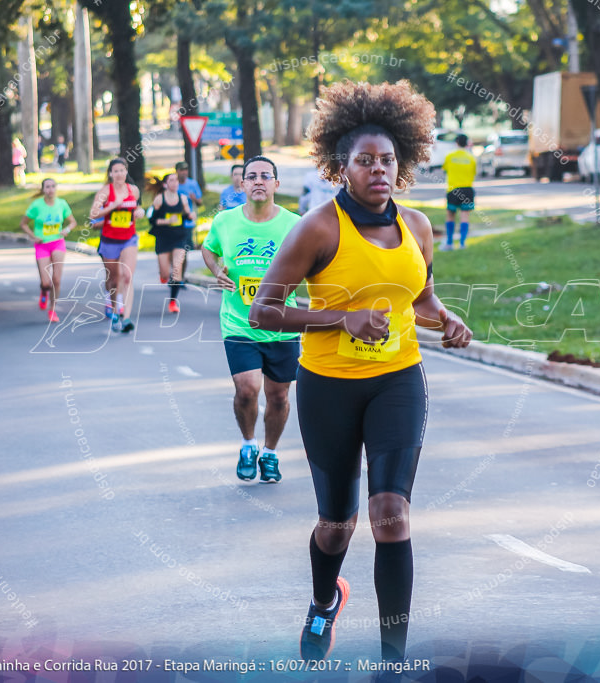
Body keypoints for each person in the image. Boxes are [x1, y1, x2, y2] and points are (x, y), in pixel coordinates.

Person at [248, 81, 472, 663]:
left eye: (387, 160)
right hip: (328, 388)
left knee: (390, 516)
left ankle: (392, 660)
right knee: (338, 525)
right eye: (365, 161)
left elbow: (419, 299)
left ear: (403, 163)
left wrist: (445, 320)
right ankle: (325, 602)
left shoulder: (418, 227)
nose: (378, 169)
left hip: (399, 379)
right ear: (340, 167)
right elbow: (264, 310)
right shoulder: (318, 229)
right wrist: (340, 319)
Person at [201, 156, 301, 485]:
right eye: (251, 177)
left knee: (279, 397)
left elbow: (311, 261)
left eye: (265, 176)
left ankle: (270, 452)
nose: (258, 181)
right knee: (247, 390)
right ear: (242, 184)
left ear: (276, 184)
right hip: (238, 322)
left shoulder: (294, 224)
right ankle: (248, 444)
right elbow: (209, 249)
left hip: (282, 325)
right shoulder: (225, 222)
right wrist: (217, 271)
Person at [90, 159, 143, 333]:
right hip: (110, 240)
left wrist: (139, 212)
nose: (119, 174)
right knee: (113, 280)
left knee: (127, 277)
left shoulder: (133, 190)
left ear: (126, 172)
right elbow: (94, 214)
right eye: (116, 171)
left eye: (122, 170)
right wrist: (112, 206)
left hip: (129, 239)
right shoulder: (105, 192)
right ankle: (113, 309)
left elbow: (138, 209)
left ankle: (126, 318)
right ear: (110, 173)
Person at [19, 178, 76, 322]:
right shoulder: (36, 205)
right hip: (42, 245)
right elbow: (23, 224)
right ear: (43, 189)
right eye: (47, 187)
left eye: (53, 186)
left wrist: (67, 229)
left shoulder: (62, 204)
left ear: (56, 188)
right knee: (46, 282)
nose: (50, 189)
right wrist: (33, 236)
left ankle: (52, 309)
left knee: (56, 279)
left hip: (57, 243)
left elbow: (73, 222)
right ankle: (44, 291)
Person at [147, 173, 194, 314]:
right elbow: (152, 221)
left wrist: (191, 215)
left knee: (177, 269)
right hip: (163, 237)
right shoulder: (159, 200)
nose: (174, 183)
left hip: (179, 237)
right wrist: (167, 221)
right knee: (165, 273)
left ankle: (173, 302)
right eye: (171, 181)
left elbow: (187, 215)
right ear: (165, 184)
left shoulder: (183, 199)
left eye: (176, 181)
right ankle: (163, 275)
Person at [441, 133, 476, 250]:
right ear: (467, 143)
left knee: (450, 215)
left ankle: (449, 243)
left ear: (456, 142)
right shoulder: (471, 157)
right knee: (464, 216)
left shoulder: (449, 156)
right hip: (467, 189)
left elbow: (445, 169)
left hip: (453, 189)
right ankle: (462, 243)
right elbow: (473, 173)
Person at [175, 161, 204, 240]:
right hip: (175, 219)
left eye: (186, 170)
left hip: (188, 220)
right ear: (177, 171)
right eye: (182, 170)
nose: (184, 172)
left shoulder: (193, 184)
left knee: (188, 244)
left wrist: (194, 198)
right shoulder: (174, 184)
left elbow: (200, 202)